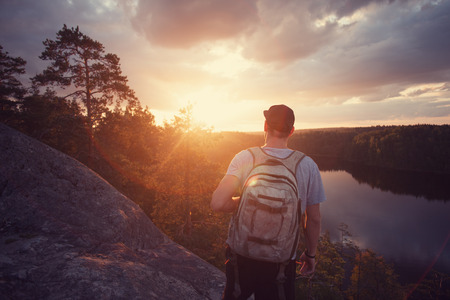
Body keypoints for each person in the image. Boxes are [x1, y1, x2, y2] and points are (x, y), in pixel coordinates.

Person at [211, 104, 326, 300]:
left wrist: (245, 201)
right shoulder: (307, 165)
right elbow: (313, 219)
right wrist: (310, 255)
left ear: (265, 126)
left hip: (241, 258)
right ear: (292, 131)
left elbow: (218, 203)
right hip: (281, 262)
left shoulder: (245, 157)